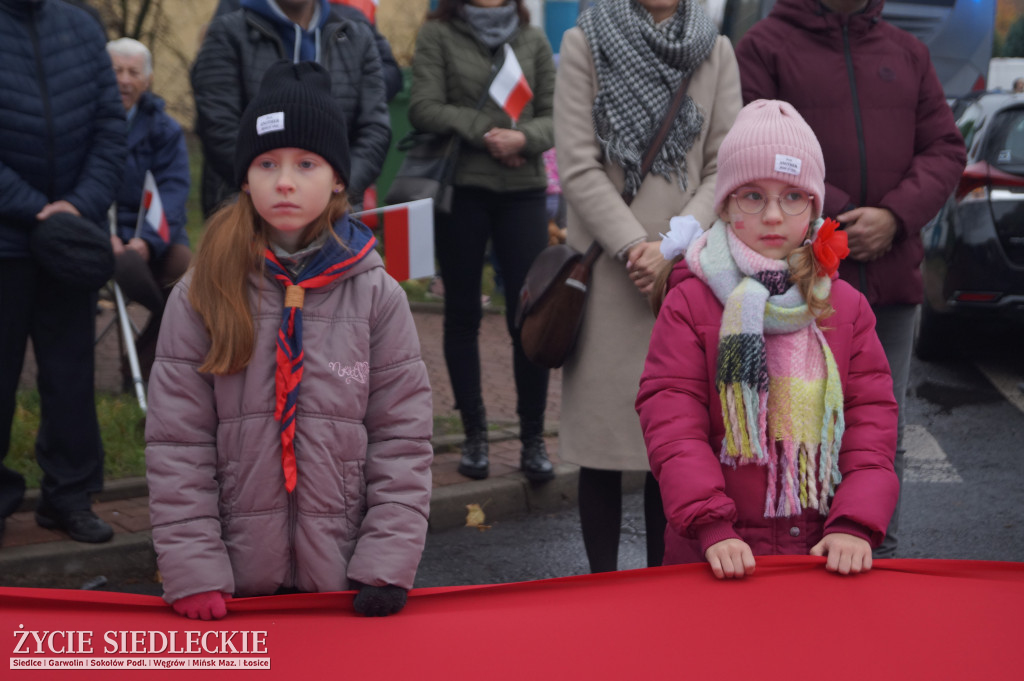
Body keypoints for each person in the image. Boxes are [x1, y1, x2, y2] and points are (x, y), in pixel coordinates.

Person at [146, 61, 432, 620]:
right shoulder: (202, 290)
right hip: (235, 583)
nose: (284, 180)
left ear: (339, 179)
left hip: (345, 581)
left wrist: (385, 563)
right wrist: (195, 568)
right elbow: (178, 443)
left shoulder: (377, 294)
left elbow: (402, 437)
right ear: (245, 178)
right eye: (266, 163)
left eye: (307, 163)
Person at [734, 0, 966, 559]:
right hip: (795, 280)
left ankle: (873, 553)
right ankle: (787, 564)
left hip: (890, 277)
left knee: (881, 432)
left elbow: (945, 147)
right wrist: (836, 216)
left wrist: (893, 217)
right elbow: (751, 151)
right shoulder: (765, 45)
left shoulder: (907, 52)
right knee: (787, 425)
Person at [636, 99, 900, 579]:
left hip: (819, 553)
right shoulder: (691, 302)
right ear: (726, 204)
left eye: (793, 196)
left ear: (815, 208)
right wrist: (711, 524)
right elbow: (672, 419)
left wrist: (854, 523)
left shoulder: (845, 306)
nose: (774, 215)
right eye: (752, 196)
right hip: (716, 556)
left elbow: (869, 423)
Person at [553, 0, 741, 572]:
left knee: (676, 444)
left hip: (685, 276)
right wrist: (636, 246)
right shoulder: (585, 41)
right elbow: (578, 162)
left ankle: (662, 585)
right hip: (610, 272)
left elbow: (723, 165)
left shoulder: (715, 48)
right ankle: (601, 585)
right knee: (602, 451)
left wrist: (673, 248)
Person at [409, 0, 557, 482]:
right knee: (463, 315)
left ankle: (532, 438)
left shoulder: (531, 39)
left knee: (528, 315)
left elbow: (556, 116)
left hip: (523, 194)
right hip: (463, 192)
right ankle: (474, 436)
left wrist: (524, 139)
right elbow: (423, 106)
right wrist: (487, 134)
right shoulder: (438, 35)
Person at [0, 0, 125, 546]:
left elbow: (108, 128)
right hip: (6, 240)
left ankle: (68, 498)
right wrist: (36, 210)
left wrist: (77, 207)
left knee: (71, 377)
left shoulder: (81, 25)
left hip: (70, 241)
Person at [192, 0, 390, 217]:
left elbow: (375, 129)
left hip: (336, 214)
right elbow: (218, 127)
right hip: (246, 214)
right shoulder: (227, 33)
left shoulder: (357, 37)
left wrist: (335, 191)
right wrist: (267, 189)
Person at [106, 37, 192, 387]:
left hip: (152, 235)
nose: (125, 79)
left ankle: (138, 366)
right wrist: (102, 234)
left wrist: (148, 240)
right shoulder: (84, 122)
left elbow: (173, 190)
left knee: (188, 279)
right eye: (117, 71)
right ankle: (172, 315)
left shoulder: (165, 130)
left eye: (133, 72)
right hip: (101, 234)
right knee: (125, 267)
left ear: (148, 79)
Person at [210, 0, 403, 101]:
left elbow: (388, 74)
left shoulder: (353, 14)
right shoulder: (236, 17)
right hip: (256, 162)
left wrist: (340, 92)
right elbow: (218, 104)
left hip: (338, 163)